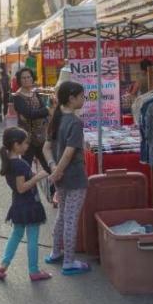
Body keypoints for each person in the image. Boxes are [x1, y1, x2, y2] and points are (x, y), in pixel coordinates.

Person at [0, 127, 53, 282]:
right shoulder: (19, 164)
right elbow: (21, 188)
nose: (27, 146)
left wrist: (33, 174)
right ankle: (34, 270)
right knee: (33, 237)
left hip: (18, 205)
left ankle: (4, 265)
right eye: (25, 143)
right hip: (29, 205)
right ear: (16, 145)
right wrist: (38, 176)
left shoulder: (10, 163)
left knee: (16, 235)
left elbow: (19, 184)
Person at [47, 81, 92, 275]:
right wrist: (58, 170)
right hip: (73, 176)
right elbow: (69, 152)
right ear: (72, 98)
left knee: (62, 215)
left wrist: (53, 168)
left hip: (61, 177)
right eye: (82, 96)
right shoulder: (74, 122)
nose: (84, 99)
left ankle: (55, 252)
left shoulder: (56, 118)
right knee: (71, 218)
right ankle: (69, 261)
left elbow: (46, 147)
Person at [12, 67, 52, 175]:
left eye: (28, 77)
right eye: (23, 78)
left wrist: (43, 111)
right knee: (26, 167)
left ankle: (54, 190)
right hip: (26, 139)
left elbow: (42, 109)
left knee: (48, 165)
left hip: (40, 136)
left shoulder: (35, 93)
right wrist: (45, 111)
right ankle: (26, 190)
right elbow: (29, 114)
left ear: (32, 78)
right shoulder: (17, 96)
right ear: (19, 80)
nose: (26, 80)